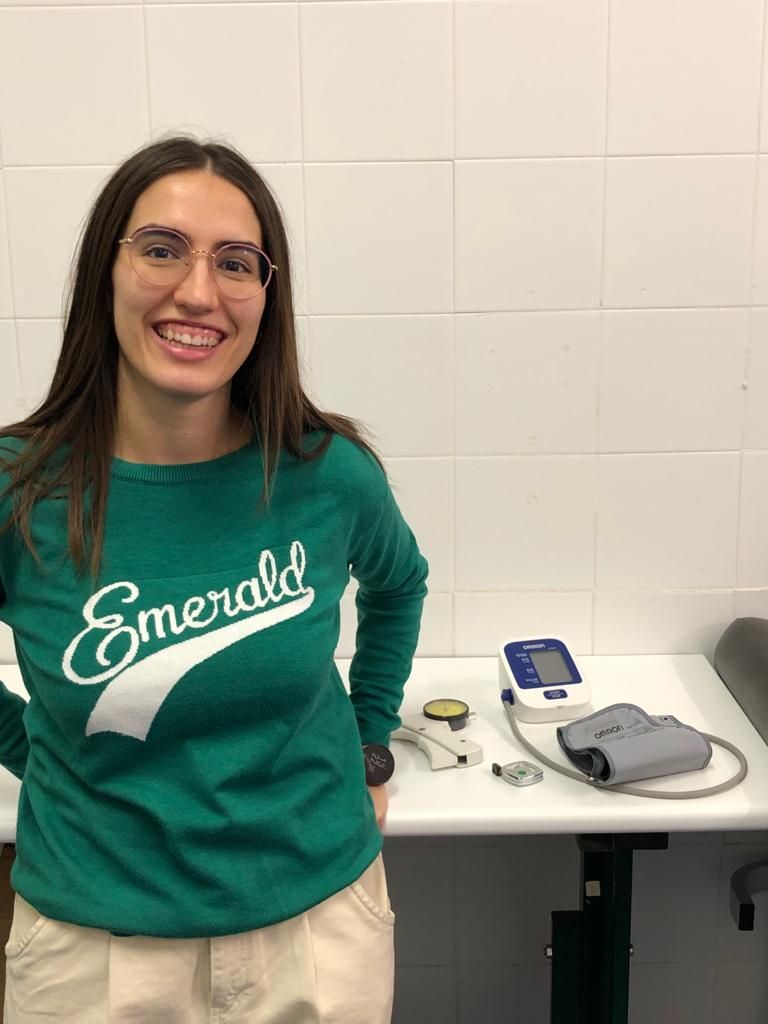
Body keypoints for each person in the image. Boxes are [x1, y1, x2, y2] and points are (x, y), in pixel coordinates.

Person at [0, 136, 428, 1023]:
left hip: (321, 934)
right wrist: (39, 755)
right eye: (161, 248)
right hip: (91, 949)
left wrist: (369, 742)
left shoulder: (329, 473)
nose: (198, 291)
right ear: (103, 272)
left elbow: (399, 587)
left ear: (267, 298)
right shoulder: (19, 490)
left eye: (237, 263)